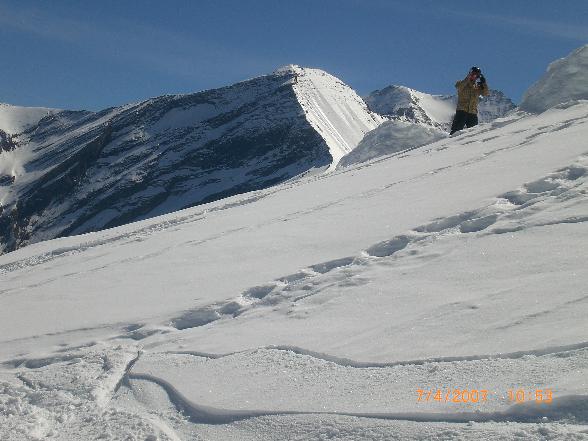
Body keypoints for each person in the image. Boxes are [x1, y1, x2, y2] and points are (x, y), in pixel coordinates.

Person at [449, 66, 489, 135]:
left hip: (472, 113)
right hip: (462, 111)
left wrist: (483, 83)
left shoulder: (477, 87)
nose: (474, 77)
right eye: (473, 74)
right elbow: (458, 87)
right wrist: (468, 78)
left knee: (474, 133)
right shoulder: (462, 83)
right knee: (455, 131)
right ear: (469, 73)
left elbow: (485, 93)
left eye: (477, 76)